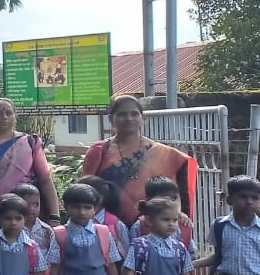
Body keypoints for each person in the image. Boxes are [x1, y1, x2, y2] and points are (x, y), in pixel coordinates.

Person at [82, 95, 195, 224]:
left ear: (143, 118)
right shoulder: (99, 150)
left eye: (134, 114)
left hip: (151, 224)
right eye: (122, 114)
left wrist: (177, 212)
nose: (129, 118)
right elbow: (86, 190)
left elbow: (174, 191)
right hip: (109, 224)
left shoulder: (162, 153)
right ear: (111, 118)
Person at [0, 98, 59, 234]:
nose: (4, 117)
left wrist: (54, 216)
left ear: (15, 116)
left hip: (25, 214)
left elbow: (45, 180)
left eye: (8, 113)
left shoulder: (30, 143)